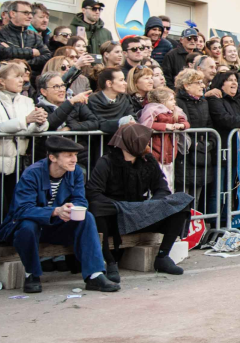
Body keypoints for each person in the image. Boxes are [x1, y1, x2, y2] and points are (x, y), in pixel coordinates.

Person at [0, 136, 119, 293]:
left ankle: (94, 275)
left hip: (56, 226)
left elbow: (80, 200)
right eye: (69, 155)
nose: (74, 159)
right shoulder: (32, 174)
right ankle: (32, 274)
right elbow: (22, 209)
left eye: (75, 155)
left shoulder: (75, 172)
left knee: (86, 217)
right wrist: (55, 211)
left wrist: (72, 209)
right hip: (29, 228)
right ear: (52, 157)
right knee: (28, 226)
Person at [86, 122, 193, 280]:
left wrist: (151, 205)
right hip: (116, 215)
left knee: (181, 202)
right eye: (145, 141)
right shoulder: (107, 162)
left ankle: (162, 257)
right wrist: (120, 207)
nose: (148, 145)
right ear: (131, 142)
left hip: (141, 213)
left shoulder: (148, 161)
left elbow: (162, 188)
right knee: (96, 209)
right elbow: (93, 193)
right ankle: (109, 262)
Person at [0, 61, 49, 236]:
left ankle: (12, 243)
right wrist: (27, 120)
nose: (22, 80)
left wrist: (40, 123)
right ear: (2, 80)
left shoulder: (26, 100)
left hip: (20, 162)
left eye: (22, 76)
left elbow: (31, 129)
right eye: (17, 76)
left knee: (17, 206)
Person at [173, 69, 218, 217]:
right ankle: (181, 231)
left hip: (202, 156)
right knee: (183, 197)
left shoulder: (204, 102)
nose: (202, 86)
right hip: (185, 156)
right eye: (197, 83)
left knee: (197, 199)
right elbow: (183, 128)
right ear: (186, 86)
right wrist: (194, 145)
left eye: (202, 82)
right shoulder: (178, 102)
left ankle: (194, 232)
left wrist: (209, 144)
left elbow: (210, 127)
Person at [138, 87, 189, 186]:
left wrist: (181, 125)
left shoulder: (174, 111)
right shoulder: (151, 110)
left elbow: (185, 122)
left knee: (169, 182)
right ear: (162, 101)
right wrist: (165, 126)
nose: (174, 102)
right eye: (171, 99)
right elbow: (147, 124)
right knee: (156, 181)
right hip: (155, 151)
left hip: (169, 152)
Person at [0, 0, 51, 76]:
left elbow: (46, 57)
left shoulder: (35, 36)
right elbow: (1, 52)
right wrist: (31, 52)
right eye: (26, 13)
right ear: (13, 14)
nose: (30, 16)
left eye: (31, 13)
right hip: (6, 77)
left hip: (29, 80)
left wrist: (22, 64)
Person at [87, 68, 136, 135]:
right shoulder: (93, 100)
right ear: (109, 83)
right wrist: (121, 122)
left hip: (122, 141)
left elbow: (133, 117)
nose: (125, 83)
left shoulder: (125, 99)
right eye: (121, 80)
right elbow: (98, 122)